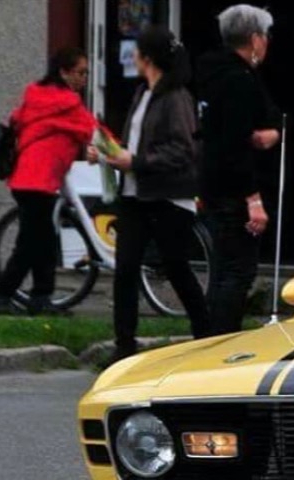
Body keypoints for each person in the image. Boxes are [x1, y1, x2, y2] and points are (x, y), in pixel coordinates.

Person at [94, 26, 211, 363]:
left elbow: (182, 150)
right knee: (126, 268)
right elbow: (137, 145)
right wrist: (108, 152)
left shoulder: (177, 97)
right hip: (136, 195)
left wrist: (137, 160)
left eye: (137, 51)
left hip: (168, 197)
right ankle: (123, 346)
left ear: (148, 58)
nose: (132, 56)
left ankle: (206, 335)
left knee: (175, 266)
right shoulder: (143, 94)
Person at [0, 47, 95, 315]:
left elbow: (16, 120)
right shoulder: (69, 103)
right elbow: (93, 131)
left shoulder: (35, 94)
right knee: (31, 243)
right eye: (81, 73)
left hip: (24, 178)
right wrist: (122, 152)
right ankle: (1, 296)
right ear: (64, 72)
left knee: (43, 240)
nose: (85, 79)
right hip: (40, 180)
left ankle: (40, 297)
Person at [196, 4, 281, 336]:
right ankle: (220, 337)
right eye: (265, 36)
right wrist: (253, 199)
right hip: (234, 191)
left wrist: (274, 131)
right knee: (238, 272)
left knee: (222, 269)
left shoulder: (211, 75)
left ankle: (208, 337)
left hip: (212, 184)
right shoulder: (239, 81)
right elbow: (236, 143)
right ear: (255, 39)